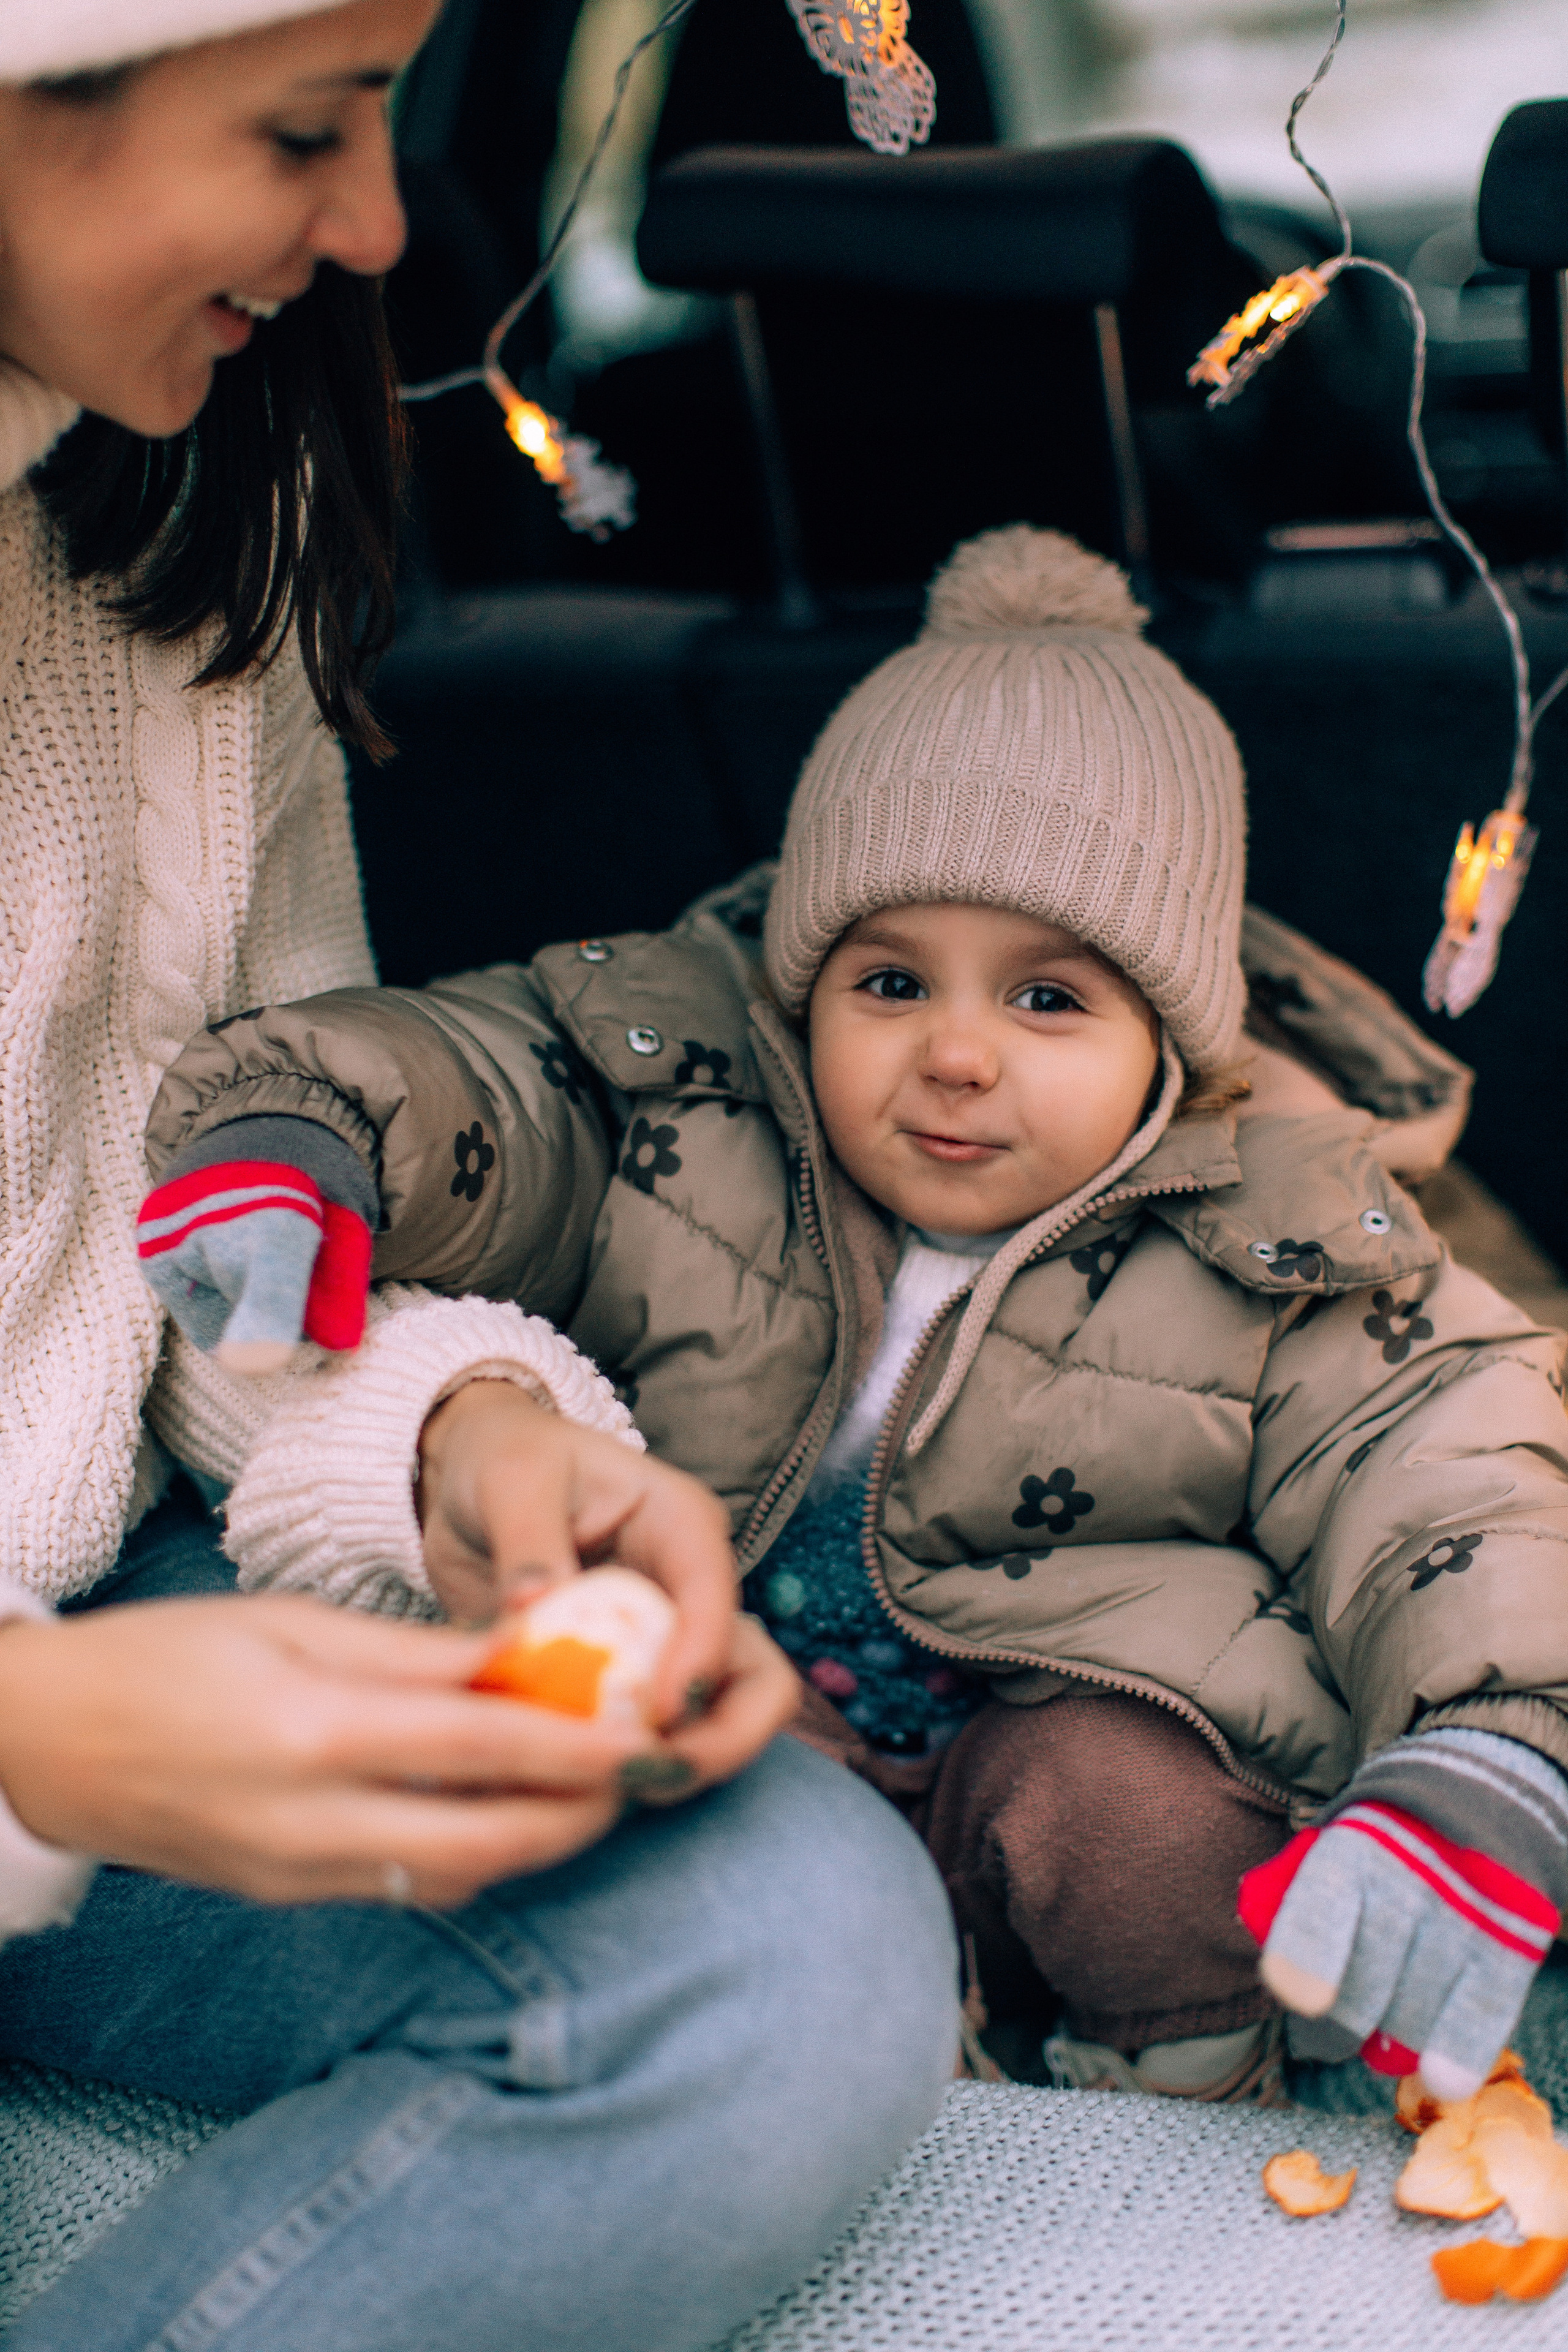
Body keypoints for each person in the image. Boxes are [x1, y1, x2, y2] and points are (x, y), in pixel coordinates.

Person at [149, 522, 1568, 2114]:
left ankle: (1183, 2099)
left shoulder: (1274, 1224)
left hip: (1062, 1739)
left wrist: (1490, 1750)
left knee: (1150, 1825)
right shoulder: (693, 1107)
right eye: (891, 983)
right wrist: (301, 1136)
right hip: (741, 1718)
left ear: (1171, 1037)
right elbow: (496, 1075)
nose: (957, 1055)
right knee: (632, 1776)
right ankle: (823, 2057)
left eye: (1048, 999)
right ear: (798, 983)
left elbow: (1452, 1465)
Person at [0, 7, 959, 2347]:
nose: (380, 228)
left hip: (100, 1636)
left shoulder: (186, 517)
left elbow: (210, 1245)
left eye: (395, 119)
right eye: (306, 129)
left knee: (794, 1937)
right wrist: (40, 1751)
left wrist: (462, 1439)